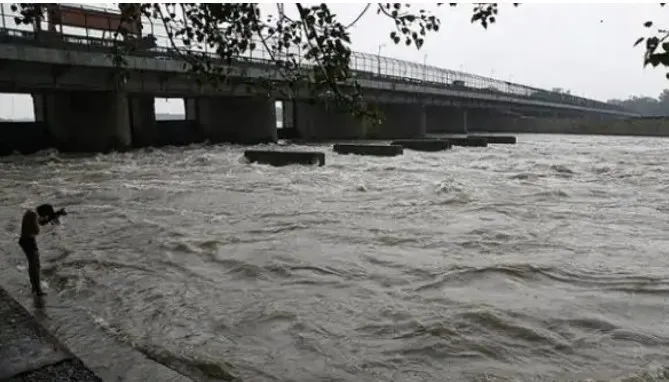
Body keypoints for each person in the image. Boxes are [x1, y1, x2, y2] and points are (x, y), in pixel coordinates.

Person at [18, 204, 64, 296]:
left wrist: (56, 215)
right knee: (35, 266)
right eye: (46, 215)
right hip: (28, 242)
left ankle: (35, 287)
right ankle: (38, 290)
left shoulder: (32, 213)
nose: (45, 217)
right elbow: (36, 230)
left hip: (27, 241)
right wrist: (48, 219)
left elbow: (41, 222)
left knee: (34, 265)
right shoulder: (33, 215)